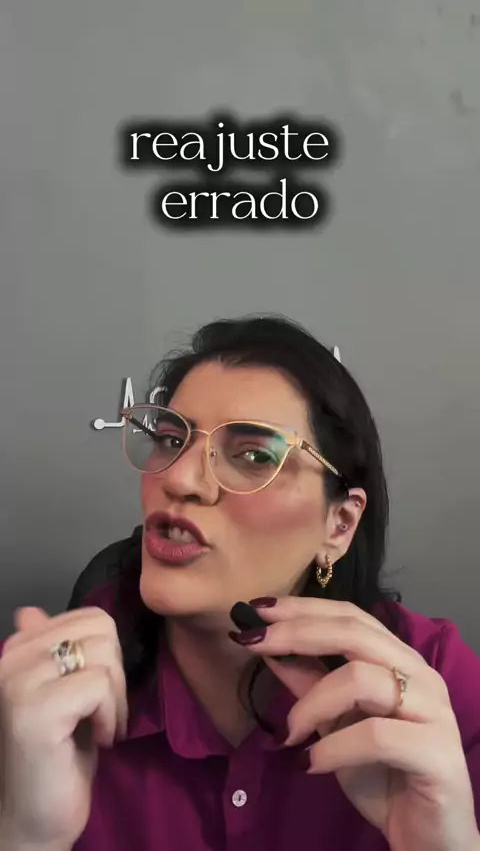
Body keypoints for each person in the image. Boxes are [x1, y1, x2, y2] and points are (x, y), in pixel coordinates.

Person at [0, 315, 479, 851]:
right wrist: (24, 835)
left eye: (253, 456)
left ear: (339, 525)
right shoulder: (36, 696)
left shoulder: (432, 682)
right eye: (170, 439)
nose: (178, 478)